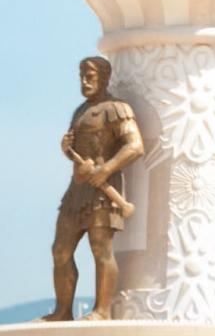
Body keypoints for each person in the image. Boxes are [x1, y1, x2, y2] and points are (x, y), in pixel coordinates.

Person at [45, 55, 144, 322]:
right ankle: (63, 310)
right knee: (60, 250)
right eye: (81, 75)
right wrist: (67, 150)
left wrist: (106, 170)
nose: (85, 81)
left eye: (90, 75)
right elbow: (80, 150)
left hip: (104, 188)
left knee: (101, 248)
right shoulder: (80, 112)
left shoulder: (116, 109)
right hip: (77, 189)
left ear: (104, 77)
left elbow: (135, 146)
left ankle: (102, 310)